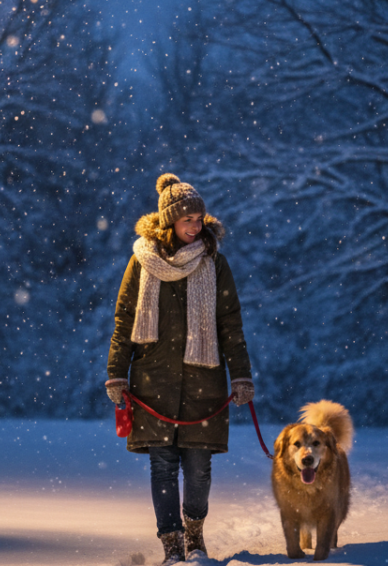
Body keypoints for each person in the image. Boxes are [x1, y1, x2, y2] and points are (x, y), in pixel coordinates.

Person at [105, 173, 254, 565]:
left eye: (199, 218)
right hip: (152, 380)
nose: (195, 225)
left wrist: (240, 374)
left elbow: (230, 323)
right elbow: (124, 319)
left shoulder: (214, 264)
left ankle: (194, 532)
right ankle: (172, 546)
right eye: (188, 219)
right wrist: (117, 372)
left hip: (203, 380)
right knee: (162, 466)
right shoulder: (142, 262)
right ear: (169, 221)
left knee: (199, 467)